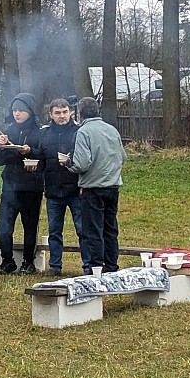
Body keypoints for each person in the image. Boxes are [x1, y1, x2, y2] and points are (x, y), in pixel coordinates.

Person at [63, 97, 126, 274]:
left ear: (80, 113)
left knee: (93, 230)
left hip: (92, 189)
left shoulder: (83, 132)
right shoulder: (111, 129)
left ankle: (96, 268)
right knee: (110, 228)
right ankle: (112, 266)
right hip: (113, 188)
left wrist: (68, 163)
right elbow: (122, 156)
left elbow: (82, 163)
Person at [0, 93, 45, 275]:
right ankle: (7, 261)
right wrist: (1, 147)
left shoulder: (40, 132)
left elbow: (45, 157)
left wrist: (31, 152)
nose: (17, 114)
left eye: (21, 110)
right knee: (3, 225)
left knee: (29, 226)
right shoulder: (8, 131)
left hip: (32, 187)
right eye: (15, 110)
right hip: (10, 186)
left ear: (30, 111)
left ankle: (28, 262)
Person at [36, 98, 89, 275]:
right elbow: (41, 159)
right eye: (58, 113)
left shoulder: (79, 131)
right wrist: (34, 165)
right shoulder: (44, 134)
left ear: (71, 112)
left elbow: (86, 159)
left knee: (82, 230)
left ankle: (88, 265)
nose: (62, 116)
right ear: (51, 114)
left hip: (76, 189)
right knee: (54, 231)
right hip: (52, 190)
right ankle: (55, 266)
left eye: (65, 112)